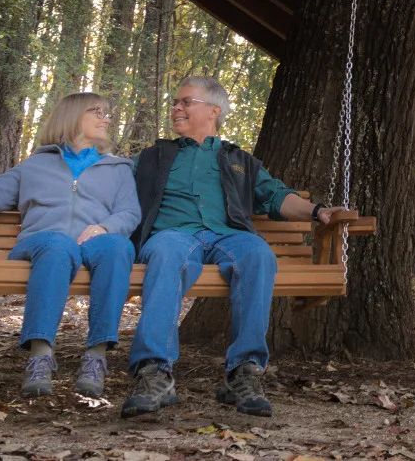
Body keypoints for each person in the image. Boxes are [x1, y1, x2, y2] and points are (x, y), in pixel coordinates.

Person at [120, 75, 340, 420]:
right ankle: (155, 373)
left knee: (257, 253)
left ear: (213, 111)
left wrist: (317, 211)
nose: (176, 108)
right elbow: (111, 188)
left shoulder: (239, 160)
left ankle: (245, 372)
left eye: (185, 102)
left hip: (228, 236)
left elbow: (278, 197)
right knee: (165, 254)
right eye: (175, 102)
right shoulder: (152, 157)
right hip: (174, 235)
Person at [0, 93, 139, 400]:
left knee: (117, 248)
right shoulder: (34, 167)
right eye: (96, 112)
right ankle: (40, 356)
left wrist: (105, 227)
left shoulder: (118, 168)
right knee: (58, 246)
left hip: (95, 243)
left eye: (107, 113)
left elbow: (129, 213)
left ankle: (96, 358)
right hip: (43, 241)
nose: (105, 118)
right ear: (71, 117)